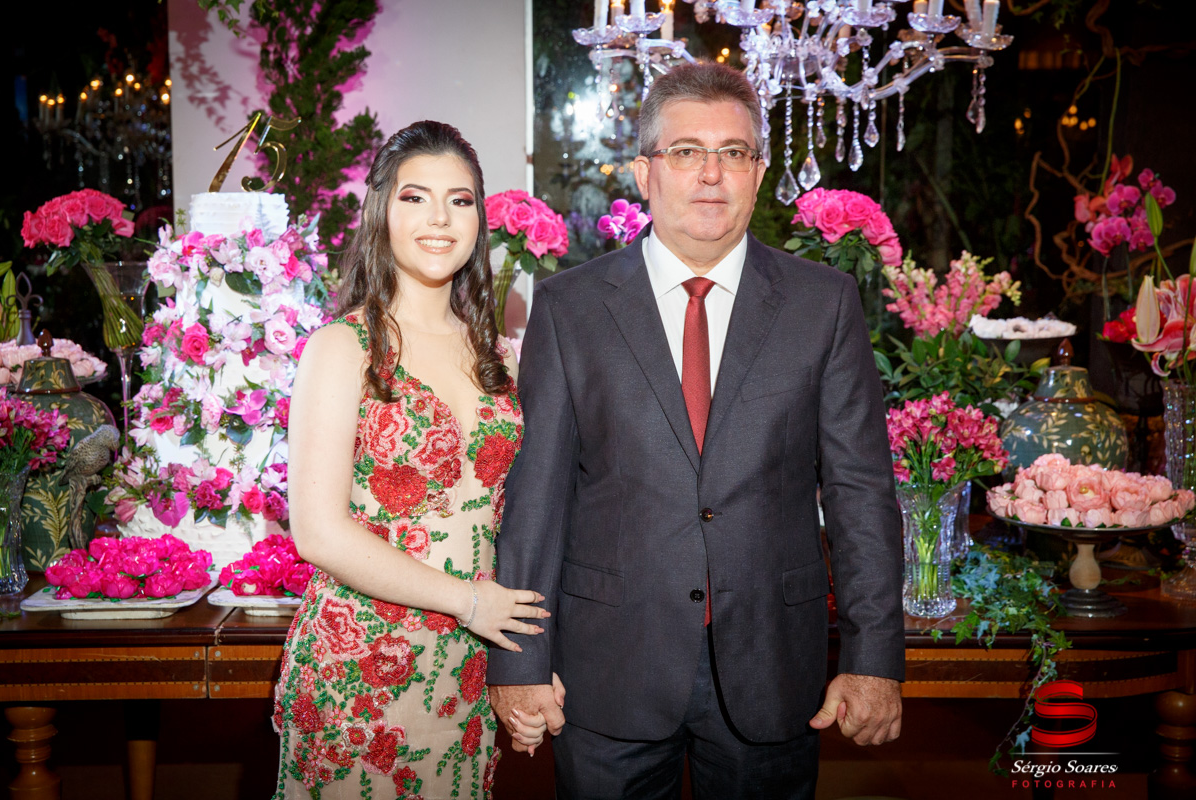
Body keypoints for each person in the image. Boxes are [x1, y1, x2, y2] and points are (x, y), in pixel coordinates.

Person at [487, 62, 905, 799]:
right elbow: (538, 499)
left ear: (759, 173)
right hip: (608, 667)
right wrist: (519, 661)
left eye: (733, 152)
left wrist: (874, 657)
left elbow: (860, 491)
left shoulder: (824, 304)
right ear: (644, 173)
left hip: (773, 664)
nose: (711, 174)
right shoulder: (569, 308)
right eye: (685, 152)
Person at [273, 120, 552, 800]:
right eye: (415, 197)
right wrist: (469, 601)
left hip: (465, 669)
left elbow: (525, 519)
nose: (439, 219)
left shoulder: (501, 357)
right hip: (359, 668)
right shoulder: (342, 348)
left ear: (479, 220)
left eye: (460, 200)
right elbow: (317, 532)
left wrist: (531, 664)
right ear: (381, 211)